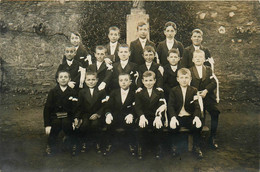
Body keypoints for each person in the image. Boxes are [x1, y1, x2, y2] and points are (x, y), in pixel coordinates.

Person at [168, 68, 203, 158]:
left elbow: (197, 106)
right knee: (173, 126)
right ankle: (174, 147)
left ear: (190, 79)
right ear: (177, 79)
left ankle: (196, 147)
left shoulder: (194, 90)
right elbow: (170, 105)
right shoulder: (174, 90)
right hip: (178, 116)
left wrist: (196, 117)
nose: (184, 80)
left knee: (197, 126)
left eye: (186, 77)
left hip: (189, 116)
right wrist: (173, 117)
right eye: (182, 77)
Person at [189, 50, 220, 149]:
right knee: (198, 115)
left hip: (208, 97)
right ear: (193, 59)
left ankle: (212, 137)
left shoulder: (208, 69)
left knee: (215, 112)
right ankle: (197, 142)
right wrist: (196, 93)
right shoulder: (189, 70)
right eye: (196, 57)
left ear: (204, 59)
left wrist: (206, 90)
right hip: (196, 98)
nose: (198, 58)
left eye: (200, 57)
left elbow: (214, 83)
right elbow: (187, 84)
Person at [43, 71, 77, 156]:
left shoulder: (73, 92)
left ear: (69, 79)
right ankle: (51, 145)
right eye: (61, 77)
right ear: (57, 80)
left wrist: (74, 120)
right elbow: (47, 109)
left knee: (67, 124)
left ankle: (71, 144)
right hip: (55, 116)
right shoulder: (53, 92)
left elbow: (75, 108)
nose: (63, 79)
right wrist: (47, 125)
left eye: (66, 77)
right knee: (56, 124)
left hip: (68, 116)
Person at [135, 71, 167, 159]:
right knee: (142, 127)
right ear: (142, 81)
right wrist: (141, 116)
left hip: (155, 116)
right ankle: (141, 148)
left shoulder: (159, 92)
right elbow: (138, 107)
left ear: (155, 81)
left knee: (158, 127)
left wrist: (158, 116)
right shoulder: (139, 93)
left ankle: (158, 148)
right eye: (146, 80)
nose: (148, 83)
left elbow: (161, 105)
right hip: (144, 116)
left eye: (150, 80)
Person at [74, 71, 107, 154]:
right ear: (85, 80)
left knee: (95, 124)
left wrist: (98, 114)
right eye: (88, 80)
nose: (91, 82)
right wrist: (77, 117)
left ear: (97, 80)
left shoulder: (101, 91)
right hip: (86, 114)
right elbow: (79, 107)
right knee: (84, 124)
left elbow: (104, 106)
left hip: (97, 114)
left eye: (93, 79)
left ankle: (96, 143)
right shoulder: (82, 92)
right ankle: (85, 142)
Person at [103, 73, 136, 156]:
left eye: (126, 80)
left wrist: (131, 114)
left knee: (130, 125)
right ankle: (110, 144)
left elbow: (136, 107)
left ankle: (130, 144)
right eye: (121, 80)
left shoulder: (133, 94)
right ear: (118, 82)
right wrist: (108, 114)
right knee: (109, 124)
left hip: (127, 116)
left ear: (130, 82)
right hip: (115, 116)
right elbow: (108, 106)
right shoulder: (114, 92)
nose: (123, 82)